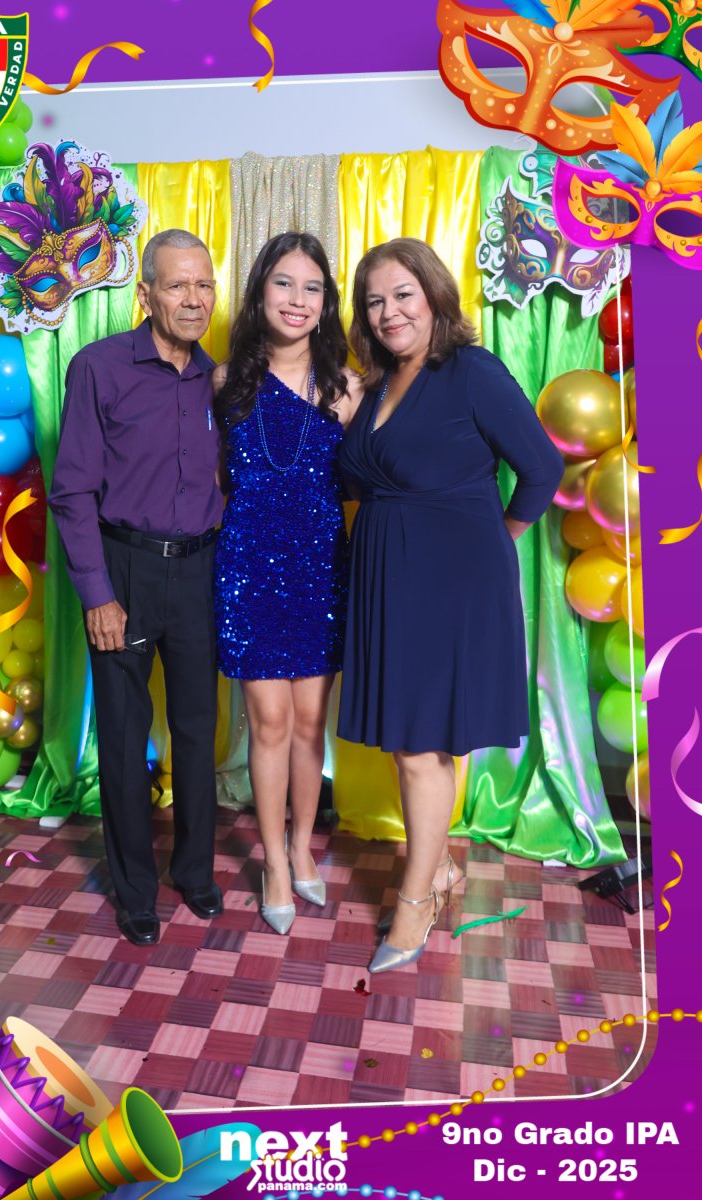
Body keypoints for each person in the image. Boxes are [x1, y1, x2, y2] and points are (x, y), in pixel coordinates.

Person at [338, 237, 563, 973]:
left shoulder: (472, 370)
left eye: (403, 294)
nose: (389, 312)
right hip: (388, 576)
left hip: (452, 579)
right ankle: (436, 867)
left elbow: (542, 467)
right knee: (408, 739)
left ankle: (416, 902)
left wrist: (500, 537)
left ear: (434, 295)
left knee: (422, 745)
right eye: (375, 301)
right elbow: (364, 477)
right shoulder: (378, 385)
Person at [48, 229, 225, 947]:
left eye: (204, 285)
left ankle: (196, 872)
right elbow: (71, 491)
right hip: (123, 568)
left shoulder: (218, 378)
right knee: (123, 737)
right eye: (178, 285)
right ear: (146, 294)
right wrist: (97, 593)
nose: (194, 299)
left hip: (200, 570)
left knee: (197, 729)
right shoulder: (99, 368)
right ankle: (134, 891)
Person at [213, 231, 361, 935]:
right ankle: (273, 860)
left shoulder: (348, 389)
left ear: (326, 303)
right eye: (283, 283)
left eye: (312, 288)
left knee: (309, 723)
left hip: (321, 569)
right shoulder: (224, 383)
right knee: (267, 722)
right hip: (248, 567)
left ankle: (303, 847)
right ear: (259, 293)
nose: (297, 300)